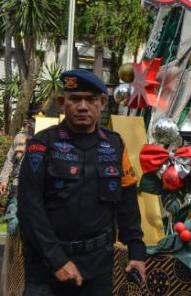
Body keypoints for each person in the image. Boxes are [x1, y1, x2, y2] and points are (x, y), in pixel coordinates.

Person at [18, 69, 146, 295]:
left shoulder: (116, 145)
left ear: (103, 103)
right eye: (75, 99)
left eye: (91, 99)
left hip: (98, 265)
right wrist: (56, 260)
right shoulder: (42, 144)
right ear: (61, 102)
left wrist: (136, 251)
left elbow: (127, 199)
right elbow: (30, 208)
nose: (83, 106)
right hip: (47, 266)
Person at [0, 111, 38, 234]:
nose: (34, 124)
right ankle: (12, 249)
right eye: (33, 121)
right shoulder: (20, 137)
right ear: (29, 122)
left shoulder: (46, 138)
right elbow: (10, 159)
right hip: (19, 181)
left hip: (38, 184)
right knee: (13, 219)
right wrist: (4, 179)